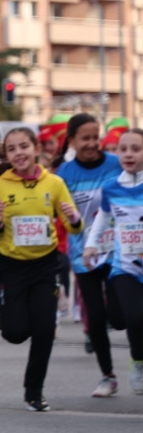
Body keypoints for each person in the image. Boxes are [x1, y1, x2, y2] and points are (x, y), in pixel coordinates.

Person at [0, 127, 83, 411]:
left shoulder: (54, 183)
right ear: (7, 155)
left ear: (35, 148)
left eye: (23, 146)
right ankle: (23, 314)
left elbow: (73, 226)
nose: (19, 153)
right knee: (14, 332)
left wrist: (74, 217)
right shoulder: (0, 185)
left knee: (44, 330)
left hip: (45, 264)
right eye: (12, 149)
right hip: (12, 265)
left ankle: (34, 391)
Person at [59, 113, 123, 397]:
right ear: (72, 141)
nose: (92, 143)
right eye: (85, 138)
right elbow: (60, 216)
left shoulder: (115, 164)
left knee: (120, 318)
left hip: (118, 253)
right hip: (83, 256)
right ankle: (108, 376)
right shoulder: (65, 174)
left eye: (95, 137)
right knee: (95, 319)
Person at [82, 128, 143, 392]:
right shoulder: (110, 187)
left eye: (136, 149)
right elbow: (103, 217)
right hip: (124, 267)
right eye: (123, 149)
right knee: (134, 318)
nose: (128, 154)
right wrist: (91, 245)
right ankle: (138, 361)